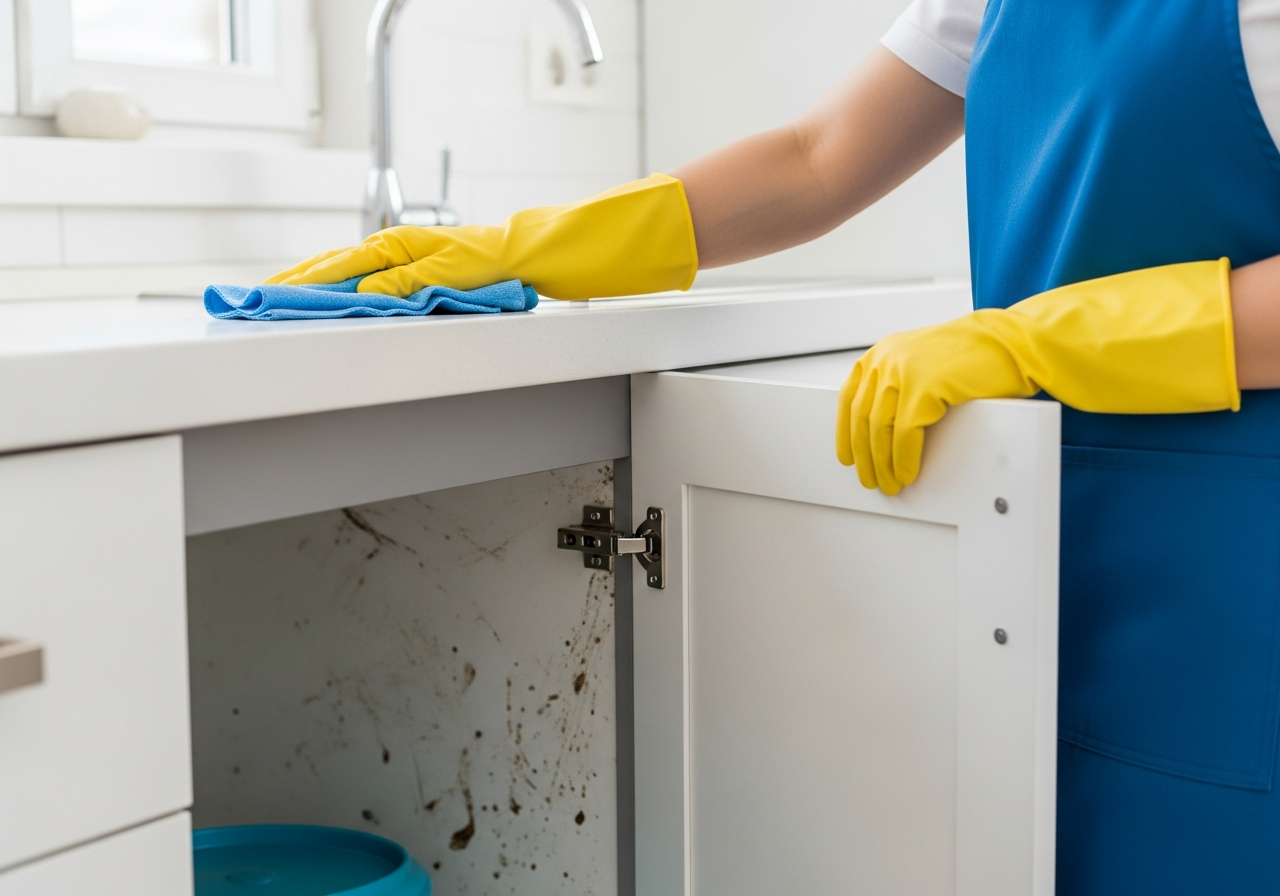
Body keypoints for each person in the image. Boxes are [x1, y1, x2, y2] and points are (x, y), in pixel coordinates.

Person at [271, 0, 1280, 889]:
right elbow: (816, 157)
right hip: (1039, 556)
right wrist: (531, 247)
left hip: (1229, 586)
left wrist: (1036, 339)